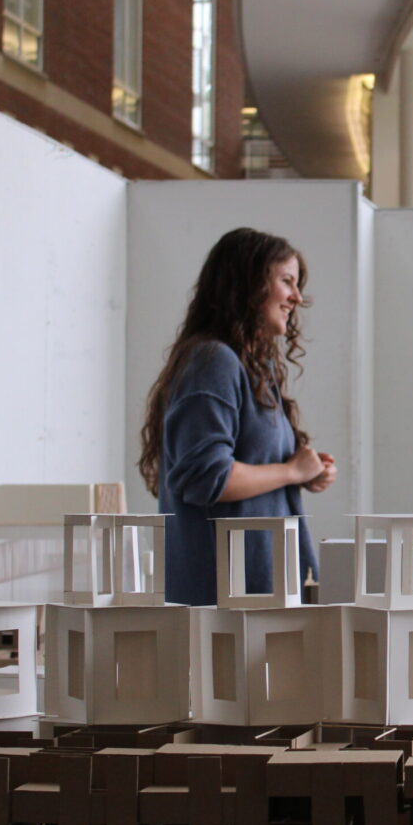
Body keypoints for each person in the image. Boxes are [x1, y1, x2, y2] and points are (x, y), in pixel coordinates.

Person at [138, 227, 336, 605]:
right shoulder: (213, 363)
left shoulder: (249, 367)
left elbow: (242, 468)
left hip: (254, 595)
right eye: (286, 281)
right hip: (230, 603)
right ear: (249, 285)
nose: (296, 296)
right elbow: (206, 477)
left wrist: (306, 473)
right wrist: (291, 472)